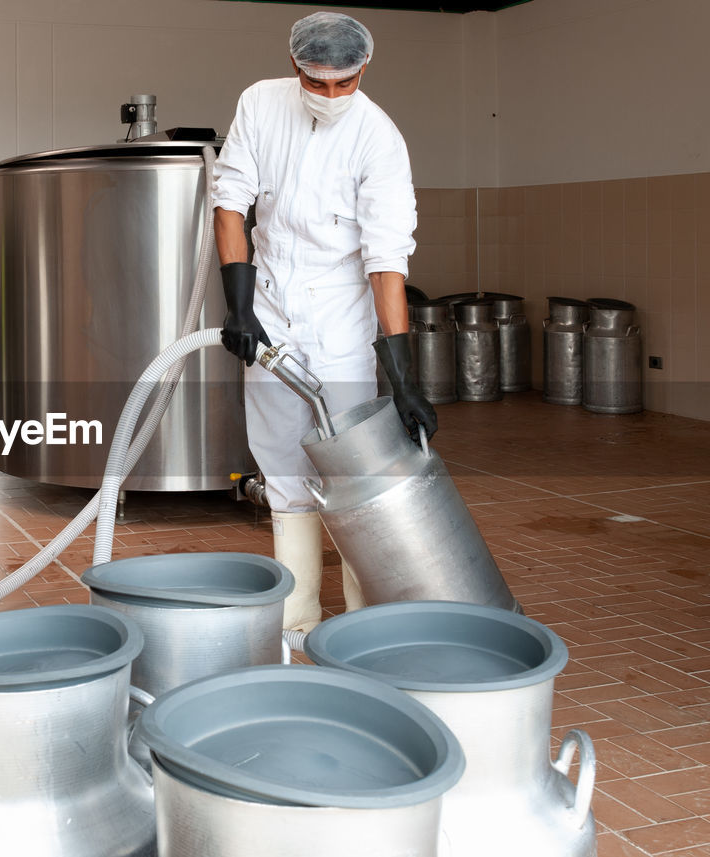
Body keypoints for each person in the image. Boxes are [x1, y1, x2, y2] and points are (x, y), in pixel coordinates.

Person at [212, 11, 438, 632]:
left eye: (345, 84)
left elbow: (386, 259)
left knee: (352, 468)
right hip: (273, 304)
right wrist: (240, 307)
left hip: (341, 313)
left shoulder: (378, 138)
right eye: (319, 83)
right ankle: (298, 621)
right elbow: (232, 203)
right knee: (283, 466)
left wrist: (403, 379)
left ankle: (362, 624)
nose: (332, 96)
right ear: (296, 67)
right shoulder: (260, 105)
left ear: (364, 70)